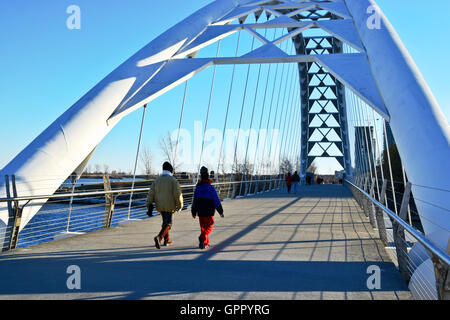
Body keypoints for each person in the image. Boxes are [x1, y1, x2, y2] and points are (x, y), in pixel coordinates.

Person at [147, 162, 183, 249]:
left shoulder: (157, 180)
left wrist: (149, 203)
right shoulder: (173, 180)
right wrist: (180, 205)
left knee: (165, 222)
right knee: (169, 223)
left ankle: (167, 240)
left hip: (160, 205)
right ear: (171, 170)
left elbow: (151, 193)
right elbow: (177, 194)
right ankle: (159, 237)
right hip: (170, 205)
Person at [191, 167, 224, 250]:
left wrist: (193, 211)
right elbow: (216, 200)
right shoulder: (211, 188)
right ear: (208, 176)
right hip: (209, 211)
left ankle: (204, 243)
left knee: (203, 227)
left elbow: (194, 201)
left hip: (200, 212)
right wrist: (220, 211)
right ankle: (202, 238)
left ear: (201, 176)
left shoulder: (197, 188)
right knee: (210, 225)